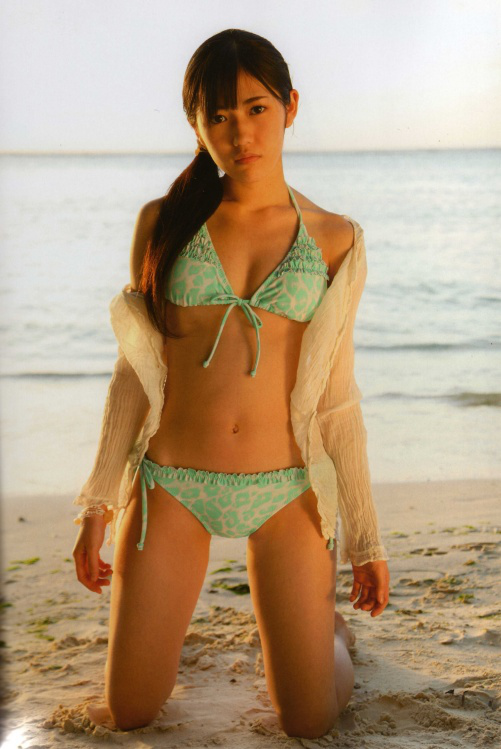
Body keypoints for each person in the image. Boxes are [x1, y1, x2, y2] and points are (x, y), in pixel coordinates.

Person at [71, 28, 390, 740]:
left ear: (290, 106)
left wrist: (366, 539)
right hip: (170, 487)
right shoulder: (163, 224)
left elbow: (337, 399)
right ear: (195, 123)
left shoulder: (334, 238)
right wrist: (98, 502)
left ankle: (331, 637)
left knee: (309, 720)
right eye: (217, 115)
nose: (239, 132)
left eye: (255, 108)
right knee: (130, 712)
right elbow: (134, 374)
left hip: (288, 491)